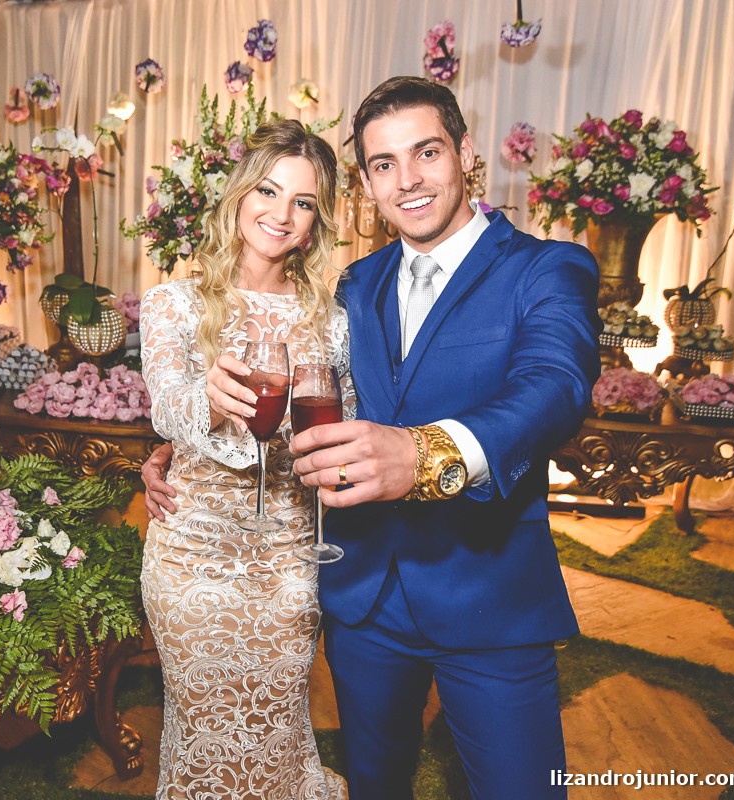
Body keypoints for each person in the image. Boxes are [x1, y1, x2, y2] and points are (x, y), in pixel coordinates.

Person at [144, 76, 599, 800]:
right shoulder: (352, 287)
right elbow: (286, 401)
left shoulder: (544, 269)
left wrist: (428, 453)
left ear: (467, 153)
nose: (408, 180)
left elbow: (554, 389)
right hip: (359, 602)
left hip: (487, 597)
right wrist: (179, 440)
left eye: (426, 152)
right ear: (366, 182)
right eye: (384, 164)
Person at [139, 118, 350, 800]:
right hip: (192, 555)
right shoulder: (172, 303)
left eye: (304, 201)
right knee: (202, 725)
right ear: (237, 196)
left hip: (291, 554)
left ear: (317, 222)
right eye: (268, 190)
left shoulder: (335, 320)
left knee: (276, 720)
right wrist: (202, 402)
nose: (281, 214)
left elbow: (356, 420)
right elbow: (168, 405)